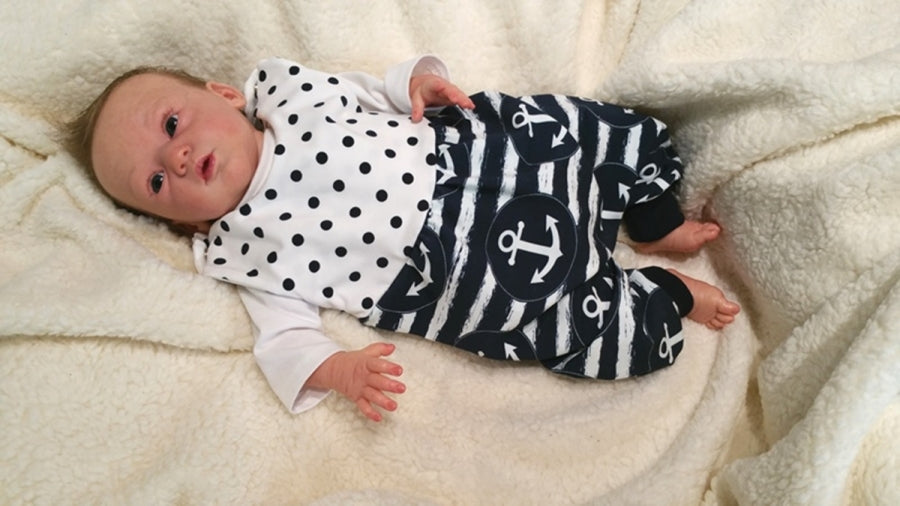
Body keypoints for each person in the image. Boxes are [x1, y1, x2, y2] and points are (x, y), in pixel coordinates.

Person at [67, 55, 740, 422]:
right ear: (184, 223)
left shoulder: (289, 95)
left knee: (609, 133)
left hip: (479, 157)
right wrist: (337, 369)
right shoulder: (243, 250)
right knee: (587, 334)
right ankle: (661, 294)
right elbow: (284, 340)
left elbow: (372, 92)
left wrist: (416, 83)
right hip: (463, 277)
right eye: (155, 181)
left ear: (223, 94)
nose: (177, 156)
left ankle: (653, 221)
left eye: (172, 124)